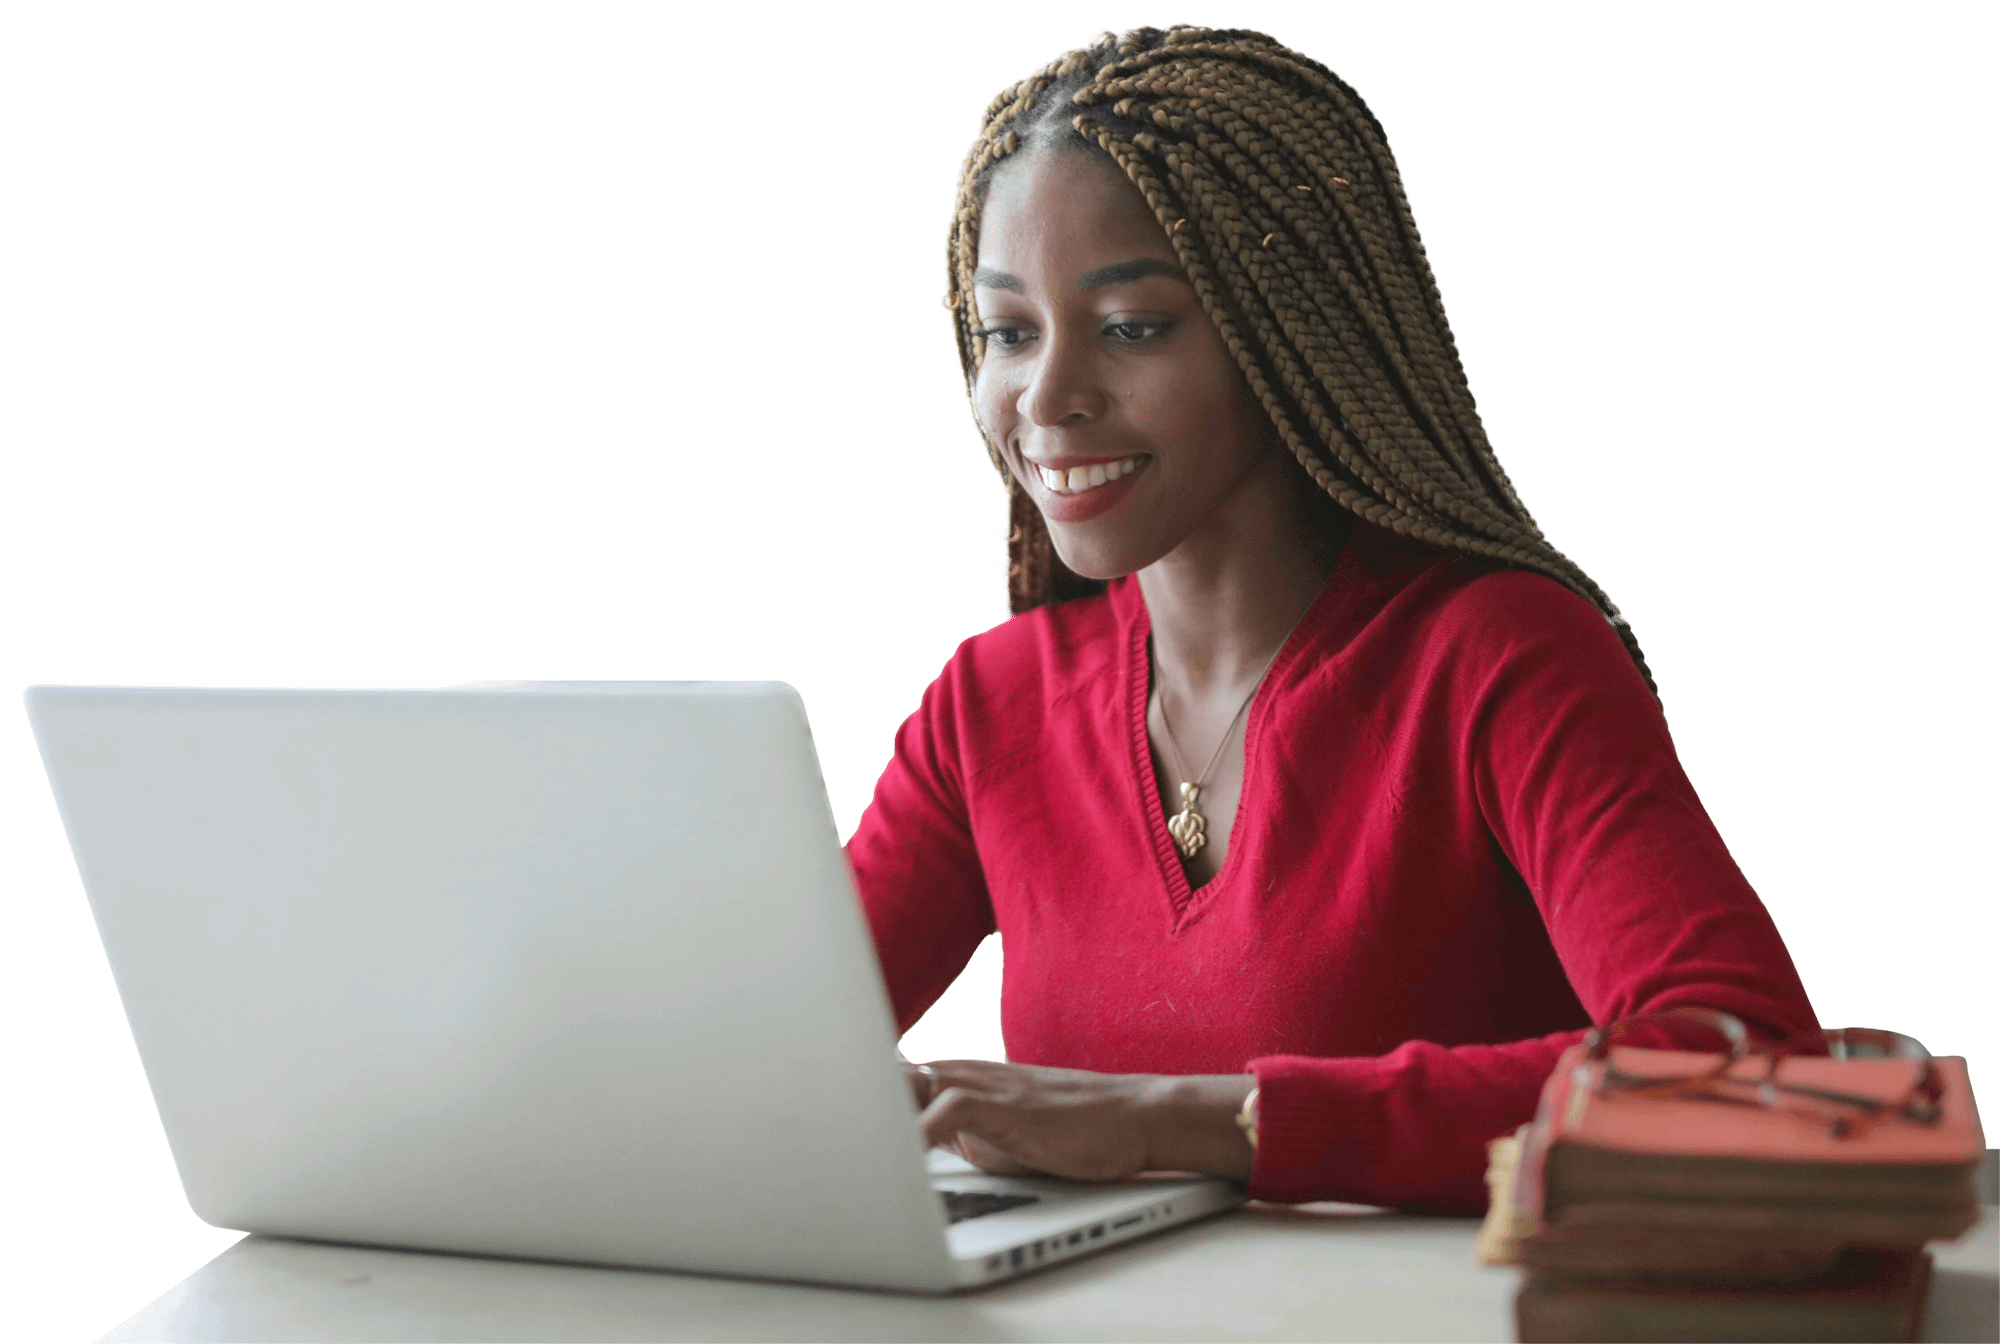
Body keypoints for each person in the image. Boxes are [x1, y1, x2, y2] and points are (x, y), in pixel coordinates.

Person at [846, 23, 1821, 1214]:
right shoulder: (988, 704)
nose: (1044, 397)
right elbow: (748, 1058)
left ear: (1285, 329)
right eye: (1009, 332)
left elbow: (1749, 1069)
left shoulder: (1495, 656)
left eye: (1131, 326)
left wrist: (1184, 1123)